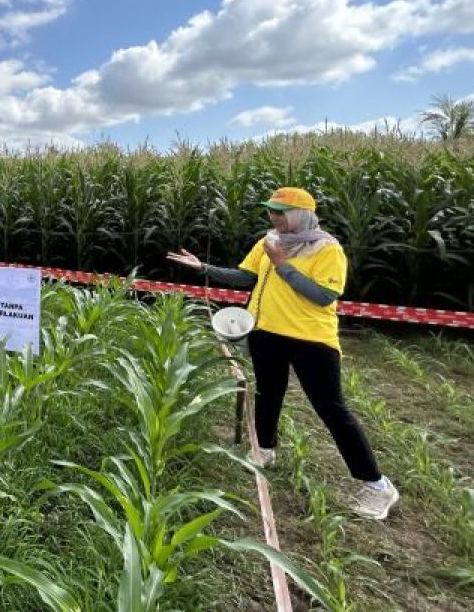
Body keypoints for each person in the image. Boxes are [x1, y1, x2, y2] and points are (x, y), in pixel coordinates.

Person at [167, 186, 399, 520]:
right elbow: (245, 276)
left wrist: (282, 265)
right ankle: (264, 451)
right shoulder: (268, 242)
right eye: (271, 211)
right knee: (268, 394)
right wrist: (203, 267)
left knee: (331, 409)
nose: (273, 217)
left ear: (302, 214)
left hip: (312, 340)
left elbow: (322, 296)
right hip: (267, 334)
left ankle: (377, 485)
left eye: (280, 212)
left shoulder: (326, 248)